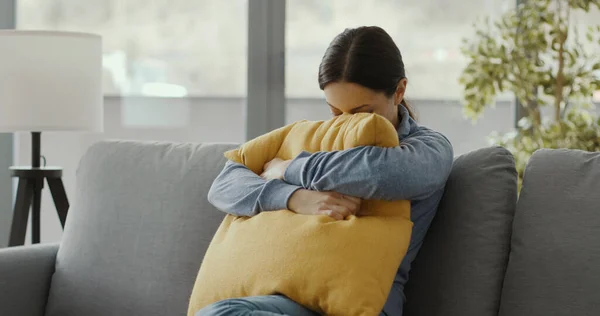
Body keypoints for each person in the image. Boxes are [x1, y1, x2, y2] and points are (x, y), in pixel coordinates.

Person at [197, 26, 454, 316]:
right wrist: (294, 197)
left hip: (358, 303)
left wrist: (289, 167)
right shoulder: (316, 138)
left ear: (399, 91)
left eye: (362, 112)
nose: (345, 124)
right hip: (285, 294)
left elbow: (383, 173)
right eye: (335, 112)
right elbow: (225, 184)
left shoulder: (428, 148)